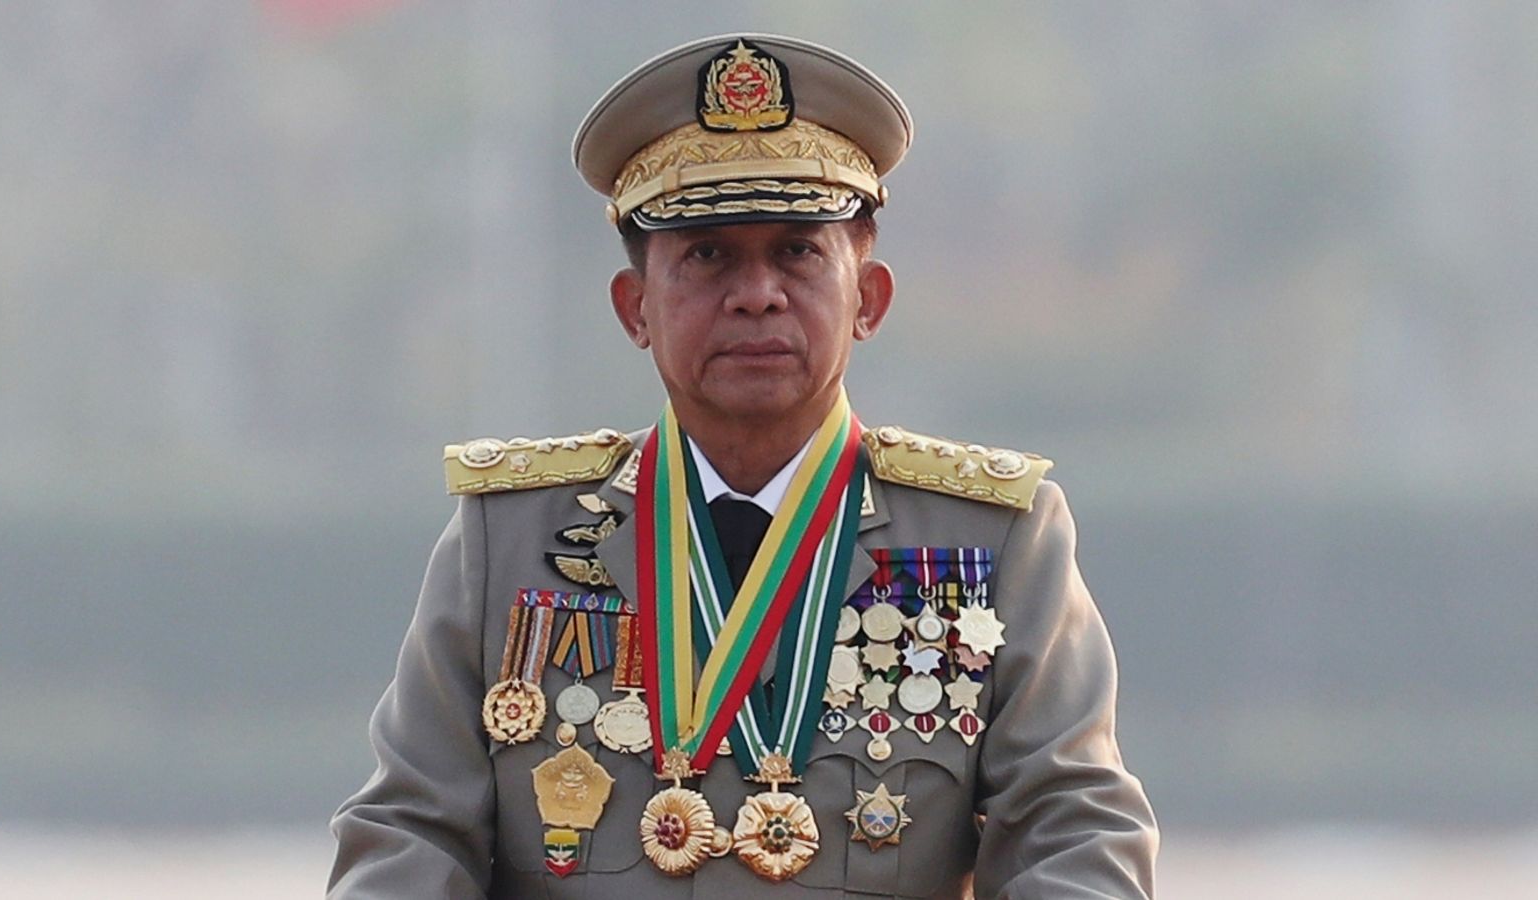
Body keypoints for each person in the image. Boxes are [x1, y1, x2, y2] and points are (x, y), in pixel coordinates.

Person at [329, 33, 1157, 899]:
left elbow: (1076, 830)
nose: (756, 292)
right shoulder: (507, 540)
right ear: (635, 308)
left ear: (867, 298)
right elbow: (410, 832)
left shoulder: (994, 538)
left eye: (798, 251)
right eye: (708, 254)